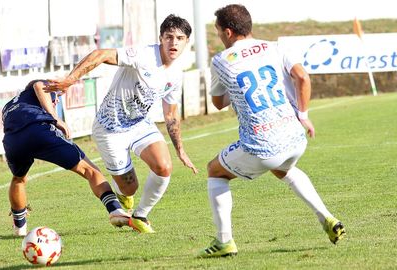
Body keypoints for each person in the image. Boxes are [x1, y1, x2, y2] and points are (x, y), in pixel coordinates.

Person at [197, 4, 346, 257]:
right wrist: (304, 115)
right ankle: (328, 218)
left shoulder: (221, 61)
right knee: (283, 169)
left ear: (229, 32)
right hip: (295, 137)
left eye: (218, 31)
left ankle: (224, 241)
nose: (219, 36)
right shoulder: (276, 47)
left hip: (262, 145)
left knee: (215, 170)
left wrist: (234, 89)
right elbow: (302, 77)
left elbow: (218, 103)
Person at [45, 14, 198, 233]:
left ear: (186, 42)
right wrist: (70, 79)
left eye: (180, 38)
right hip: (110, 128)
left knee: (164, 167)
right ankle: (122, 193)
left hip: (140, 124)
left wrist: (180, 150)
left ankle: (140, 216)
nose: (174, 43)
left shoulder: (176, 73)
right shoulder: (144, 55)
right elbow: (100, 54)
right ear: (161, 38)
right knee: (129, 187)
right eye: (169, 37)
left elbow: (171, 113)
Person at [2, 79, 130, 237]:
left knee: (18, 179)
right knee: (90, 171)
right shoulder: (41, 86)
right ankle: (115, 210)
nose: (55, 102)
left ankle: (20, 228)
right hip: (39, 130)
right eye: (55, 99)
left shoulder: (9, 105)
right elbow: (39, 85)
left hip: (12, 141)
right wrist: (55, 118)